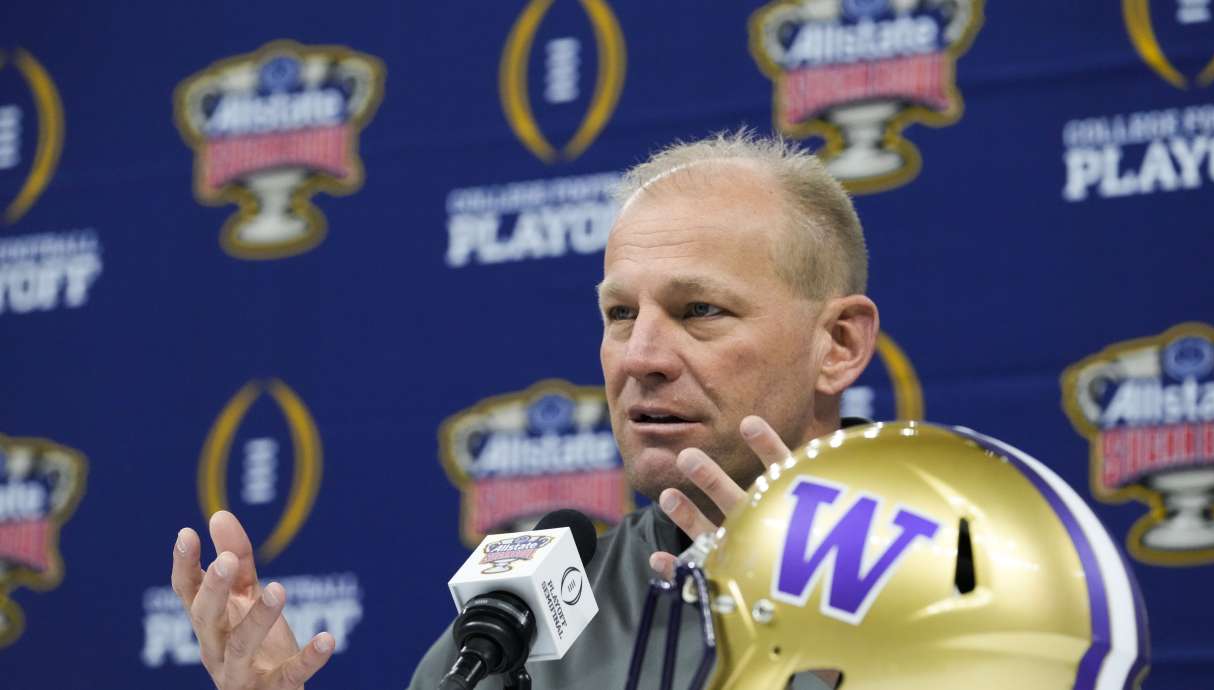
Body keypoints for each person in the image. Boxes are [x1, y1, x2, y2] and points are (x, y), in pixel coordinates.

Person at [169, 129, 879, 690]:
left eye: (700, 310)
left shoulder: (963, 568)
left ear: (838, 345)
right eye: (621, 313)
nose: (640, 357)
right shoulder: (511, 625)